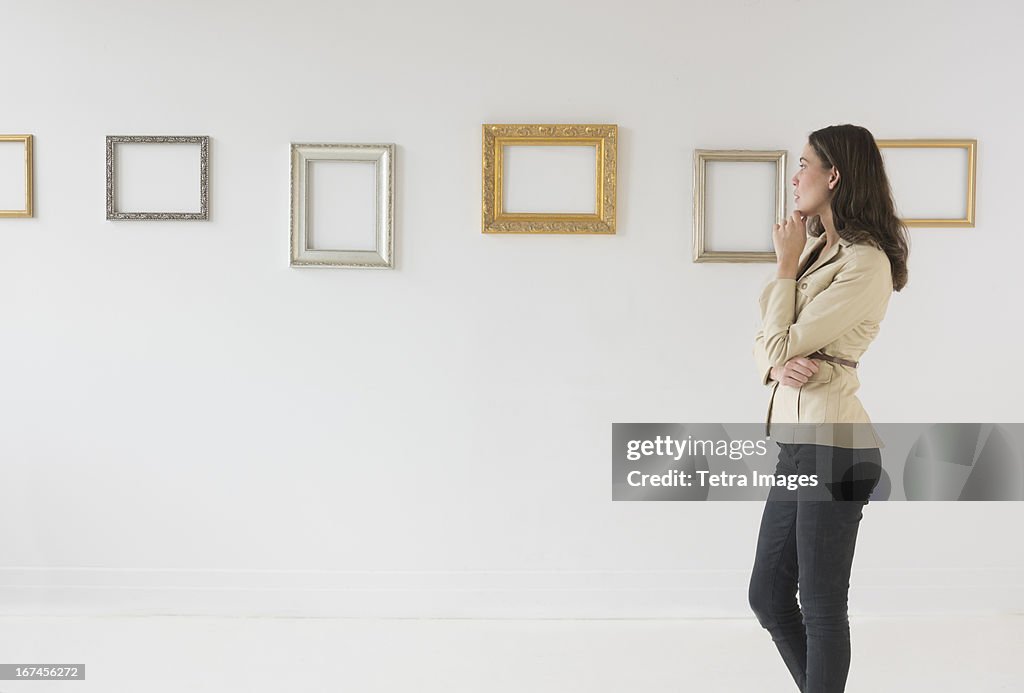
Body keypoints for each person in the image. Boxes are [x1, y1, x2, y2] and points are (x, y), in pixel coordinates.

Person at [748, 124, 910, 692]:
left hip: (836, 448)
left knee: (819, 604)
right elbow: (770, 349)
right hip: (801, 443)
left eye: (803, 165)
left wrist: (785, 270)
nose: (795, 178)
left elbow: (776, 340)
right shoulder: (822, 249)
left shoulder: (865, 263)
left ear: (834, 174)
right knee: (767, 594)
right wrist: (775, 362)